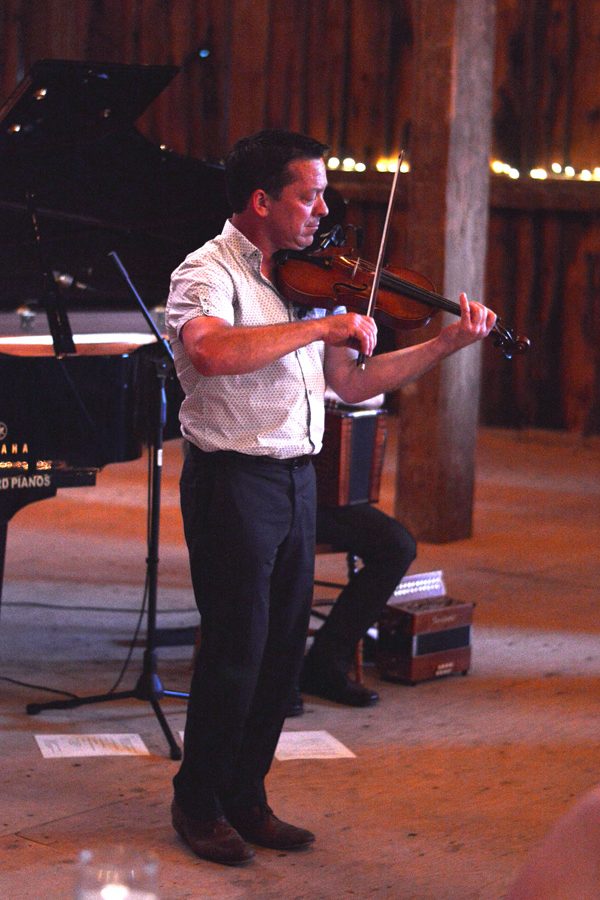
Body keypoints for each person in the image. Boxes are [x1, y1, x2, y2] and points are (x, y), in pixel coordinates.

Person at [165, 128, 496, 867]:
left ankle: (246, 797)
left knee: (282, 656)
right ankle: (197, 803)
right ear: (262, 201)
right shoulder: (206, 271)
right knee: (235, 652)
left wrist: (445, 344)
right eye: (309, 195)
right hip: (232, 480)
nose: (323, 211)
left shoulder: (309, 280)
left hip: (294, 479)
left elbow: (351, 381)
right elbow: (209, 351)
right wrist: (320, 325)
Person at [285, 500, 417, 715]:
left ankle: (326, 663)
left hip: (317, 501)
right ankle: (274, 675)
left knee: (397, 546)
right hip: (264, 500)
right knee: (283, 548)